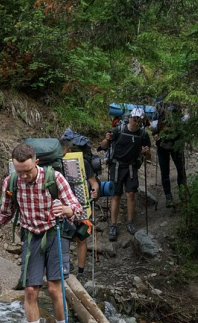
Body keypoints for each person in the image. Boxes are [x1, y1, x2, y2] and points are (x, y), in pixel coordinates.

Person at [0, 143, 84, 323]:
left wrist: (66, 210)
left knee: (53, 289)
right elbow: (5, 213)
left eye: (27, 171)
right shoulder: (11, 182)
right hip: (31, 236)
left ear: (37, 163)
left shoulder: (55, 178)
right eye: (18, 171)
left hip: (55, 233)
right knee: (30, 291)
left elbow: (77, 208)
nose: (22, 176)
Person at [99, 107, 151, 241]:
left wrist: (146, 151)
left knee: (131, 194)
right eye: (135, 119)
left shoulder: (143, 134)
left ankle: (130, 222)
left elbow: (148, 155)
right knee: (116, 195)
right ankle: (113, 225)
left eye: (140, 120)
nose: (137, 122)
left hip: (132, 166)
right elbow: (104, 146)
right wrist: (107, 138)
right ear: (130, 118)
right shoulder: (118, 130)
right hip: (116, 165)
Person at [59, 136, 98, 284]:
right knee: (65, 239)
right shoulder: (55, 165)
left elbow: (93, 182)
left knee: (81, 238)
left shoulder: (83, 163)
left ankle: (80, 272)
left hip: (81, 206)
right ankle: (66, 269)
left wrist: (95, 190)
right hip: (64, 209)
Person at [155, 103, 187, 207]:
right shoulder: (163, 111)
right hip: (167, 145)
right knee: (178, 170)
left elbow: (154, 129)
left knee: (169, 172)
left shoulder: (162, 110)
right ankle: (178, 195)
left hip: (170, 145)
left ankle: (172, 196)